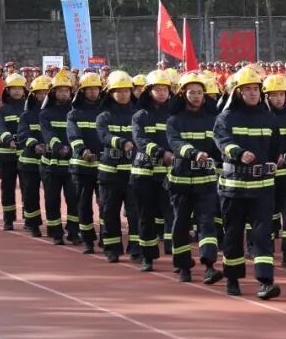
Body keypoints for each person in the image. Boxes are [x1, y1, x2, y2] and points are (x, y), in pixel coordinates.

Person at [213, 66, 282, 299]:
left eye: (256, 89)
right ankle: (232, 278)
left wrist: (272, 163)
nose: (253, 93)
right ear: (238, 92)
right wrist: (239, 153)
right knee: (233, 234)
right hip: (234, 187)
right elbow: (222, 141)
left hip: (262, 188)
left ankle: (265, 281)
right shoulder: (226, 117)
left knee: (263, 236)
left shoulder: (268, 117)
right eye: (248, 89)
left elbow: (275, 147)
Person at [166, 73, 223, 285]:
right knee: (181, 224)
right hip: (181, 181)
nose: (197, 96)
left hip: (206, 182)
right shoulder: (174, 121)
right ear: (183, 94)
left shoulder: (213, 120)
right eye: (192, 93)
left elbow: (219, 144)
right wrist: (193, 153)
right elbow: (175, 143)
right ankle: (183, 265)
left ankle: (209, 265)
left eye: (200, 93)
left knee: (207, 223)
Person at [132, 69, 177, 268]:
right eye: (157, 89)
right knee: (146, 216)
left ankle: (176, 254)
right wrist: (161, 153)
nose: (161, 93)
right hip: (145, 173)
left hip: (169, 174)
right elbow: (140, 140)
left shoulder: (174, 115)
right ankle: (148, 257)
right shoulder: (140, 116)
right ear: (148, 91)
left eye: (165, 89)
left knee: (172, 216)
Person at [95, 71, 138, 264]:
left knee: (135, 213)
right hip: (110, 174)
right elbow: (104, 136)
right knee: (109, 212)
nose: (122, 94)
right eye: (118, 91)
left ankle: (136, 248)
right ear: (110, 93)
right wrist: (121, 142)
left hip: (133, 173)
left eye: (126, 91)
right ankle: (112, 249)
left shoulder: (138, 115)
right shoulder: (103, 116)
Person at [39, 71, 82, 246]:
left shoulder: (75, 112)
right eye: (60, 91)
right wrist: (58, 147)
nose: (64, 94)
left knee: (73, 199)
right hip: (51, 165)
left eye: (66, 90)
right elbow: (47, 133)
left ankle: (73, 231)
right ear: (53, 93)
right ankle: (56, 231)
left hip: (72, 165)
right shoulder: (45, 113)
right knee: (52, 199)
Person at [264, 73, 286, 270]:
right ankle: (265, 250)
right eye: (274, 95)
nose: (278, 99)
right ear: (266, 96)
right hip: (267, 175)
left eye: (281, 94)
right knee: (267, 214)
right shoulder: (262, 117)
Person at [66, 72, 104, 254]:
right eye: (89, 89)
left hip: (104, 167)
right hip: (82, 167)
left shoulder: (105, 112)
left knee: (105, 205)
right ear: (82, 91)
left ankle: (106, 236)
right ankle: (88, 239)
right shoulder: (74, 114)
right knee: (83, 205)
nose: (93, 92)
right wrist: (83, 151)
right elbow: (73, 136)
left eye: (95, 89)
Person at [0, 73, 29, 230]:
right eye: (13, 88)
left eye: (19, 88)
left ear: (24, 90)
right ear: (7, 90)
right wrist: (9, 140)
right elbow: (0, 128)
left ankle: (29, 219)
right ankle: (8, 219)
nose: (17, 91)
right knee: (7, 187)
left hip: (26, 156)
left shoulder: (29, 109)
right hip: (6, 155)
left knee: (28, 188)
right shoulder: (2, 110)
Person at [16, 75, 50, 236]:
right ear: (34, 95)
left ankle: (54, 225)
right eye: (40, 93)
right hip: (30, 161)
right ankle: (32, 223)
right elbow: (23, 134)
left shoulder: (57, 113)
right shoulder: (27, 115)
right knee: (30, 194)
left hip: (51, 161)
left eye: (46, 93)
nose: (43, 96)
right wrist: (34, 144)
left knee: (52, 195)